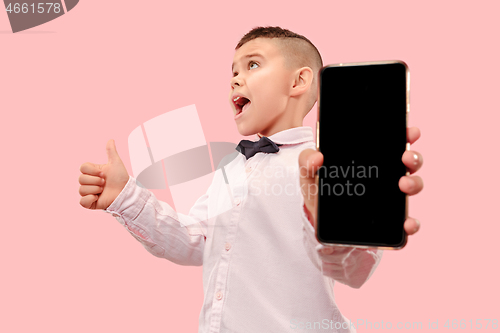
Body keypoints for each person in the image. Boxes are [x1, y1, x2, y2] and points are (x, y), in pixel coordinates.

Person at [78, 26, 424, 333]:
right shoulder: (231, 165)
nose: (235, 79)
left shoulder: (329, 162)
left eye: (253, 64)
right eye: (232, 71)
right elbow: (195, 241)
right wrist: (124, 197)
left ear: (298, 81)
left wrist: (328, 222)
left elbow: (354, 269)